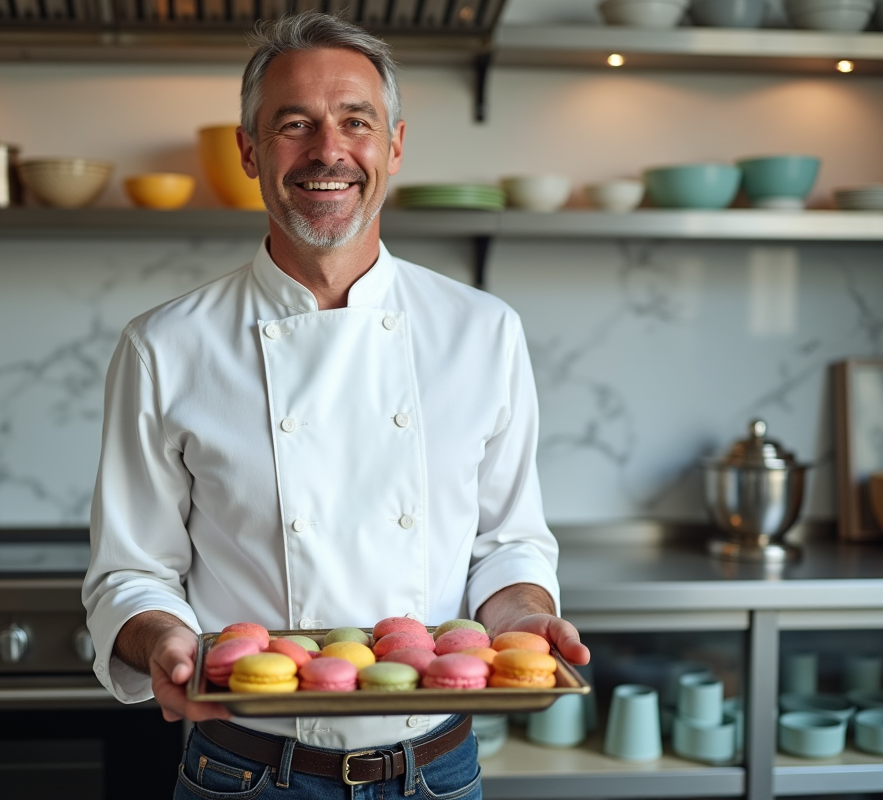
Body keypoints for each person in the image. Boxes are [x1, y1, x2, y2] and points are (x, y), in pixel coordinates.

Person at [82, 11, 590, 799]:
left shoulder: (483, 332)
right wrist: (165, 643)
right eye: (295, 124)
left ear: (393, 145)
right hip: (243, 773)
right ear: (249, 150)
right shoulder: (164, 347)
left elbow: (509, 545)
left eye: (356, 121)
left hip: (437, 773)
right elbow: (132, 572)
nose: (328, 151)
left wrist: (524, 618)